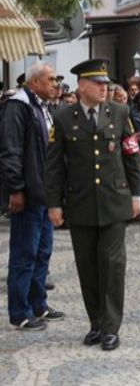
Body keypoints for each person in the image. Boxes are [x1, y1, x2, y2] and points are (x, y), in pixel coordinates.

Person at [46, 58, 140, 351]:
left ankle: (111, 327)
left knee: (112, 264)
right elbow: (54, 167)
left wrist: (136, 195)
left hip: (114, 201)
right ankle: (96, 323)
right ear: (82, 86)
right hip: (81, 202)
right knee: (87, 266)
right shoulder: (63, 118)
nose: (104, 88)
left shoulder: (120, 112)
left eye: (106, 84)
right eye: (98, 84)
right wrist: (54, 204)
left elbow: (131, 156)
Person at [1, 62, 63, 331]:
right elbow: (10, 149)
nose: (55, 84)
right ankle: (20, 311)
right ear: (34, 82)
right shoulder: (18, 106)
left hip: (43, 195)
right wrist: (16, 188)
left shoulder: (42, 106)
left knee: (42, 252)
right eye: (50, 79)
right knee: (24, 254)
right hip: (26, 194)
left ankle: (39, 303)